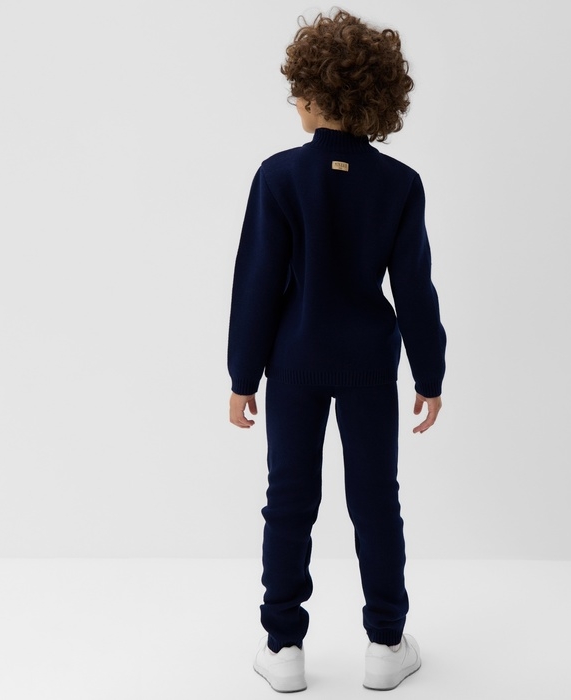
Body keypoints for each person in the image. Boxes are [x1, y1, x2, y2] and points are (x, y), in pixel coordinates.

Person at [227, 8, 446, 692]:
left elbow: (257, 284)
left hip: (292, 363)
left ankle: (283, 647)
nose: (294, 99)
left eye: (299, 89)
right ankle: (386, 643)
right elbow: (415, 287)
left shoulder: (278, 177)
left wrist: (242, 377)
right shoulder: (400, 184)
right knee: (376, 501)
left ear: (317, 95)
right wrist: (430, 374)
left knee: (289, 501)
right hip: (371, 366)